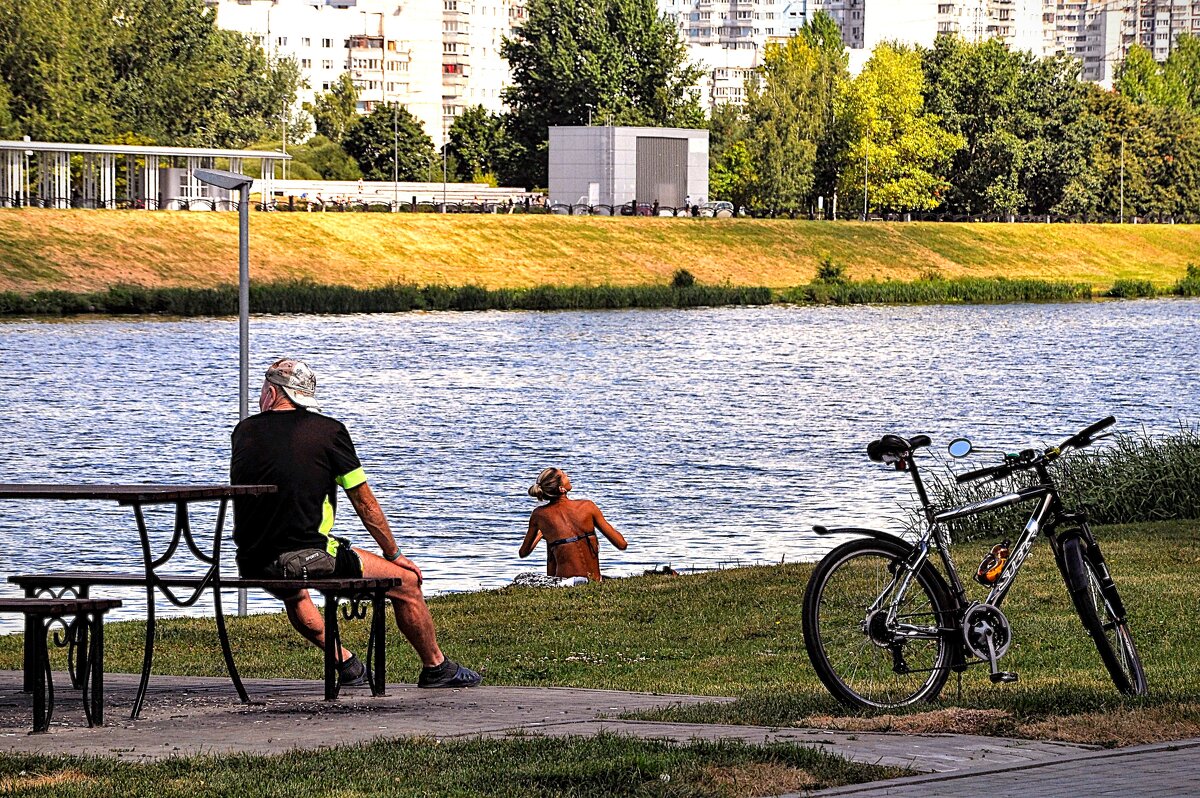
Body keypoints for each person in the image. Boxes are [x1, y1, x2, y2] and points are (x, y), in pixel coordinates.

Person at [230, 357, 482, 689]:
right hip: (307, 556)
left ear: (272, 392)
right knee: (406, 583)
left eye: (262, 390)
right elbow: (365, 503)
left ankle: (346, 664)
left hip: (253, 559)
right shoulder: (328, 432)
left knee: (295, 594)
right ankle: (437, 667)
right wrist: (394, 554)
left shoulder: (244, 432)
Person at [519, 468, 627, 581]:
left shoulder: (539, 515)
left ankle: (552, 579)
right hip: (593, 581)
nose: (567, 476)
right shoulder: (587, 506)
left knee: (552, 541)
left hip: (564, 583)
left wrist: (541, 534)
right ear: (561, 489)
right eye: (564, 475)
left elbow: (523, 552)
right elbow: (622, 544)